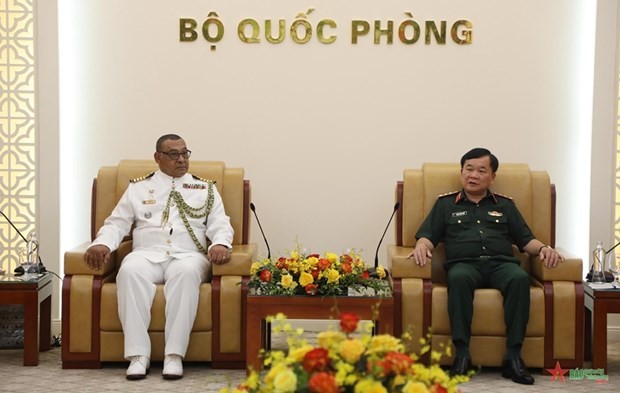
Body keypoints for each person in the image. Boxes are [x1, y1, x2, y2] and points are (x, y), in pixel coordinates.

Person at [407, 147, 562, 385]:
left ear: (492, 176)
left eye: (481, 170)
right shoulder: (446, 204)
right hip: (464, 265)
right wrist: (421, 245)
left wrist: (543, 249)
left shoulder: (506, 206)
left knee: (519, 278)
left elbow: (525, 239)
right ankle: (462, 354)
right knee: (457, 278)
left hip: (501, 264)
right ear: (461, 173)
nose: (474, 175)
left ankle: (513, 357)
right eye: (469, 169)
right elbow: (428, 234)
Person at [84, 134, 233, 380]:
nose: (182, 160)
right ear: (158, 157)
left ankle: (174, 356)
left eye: (185, 153)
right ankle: (138, 356)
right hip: (146, 254)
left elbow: (220, 223)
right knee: (129, 271)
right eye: (174, 154)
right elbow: (117, 223)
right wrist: (102, 243)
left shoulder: (205, 187)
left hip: (188, 256)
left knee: (185, 275)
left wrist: (220, 243)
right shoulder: (138, 187)